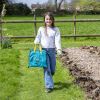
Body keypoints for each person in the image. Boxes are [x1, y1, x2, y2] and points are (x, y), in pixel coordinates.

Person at [34, 12, 62, 93]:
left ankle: (49, 78)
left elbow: (57, 40)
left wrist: (59, 49)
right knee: (47, 69)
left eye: (50, 19)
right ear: (44, 20)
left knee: (52, 69)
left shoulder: (56, 29)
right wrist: (36, 41)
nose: (48, 20)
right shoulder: (41, 29)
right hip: (43, 51)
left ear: (52, 20)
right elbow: (38, 37)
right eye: (47, 19)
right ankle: (49, 86)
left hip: (52, 51)